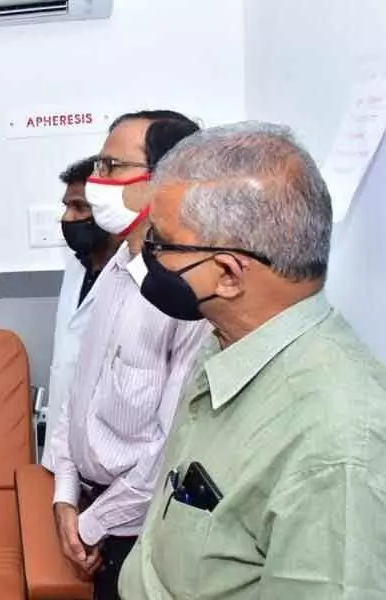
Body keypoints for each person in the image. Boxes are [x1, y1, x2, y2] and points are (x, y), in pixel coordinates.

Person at [119, 121, 386, 598]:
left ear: (226, 273)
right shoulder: (226, 341)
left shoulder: (336, 444)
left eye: (160, 243)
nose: (146, 255)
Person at [48, 110, 210, 600]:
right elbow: (78, 398)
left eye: (111, 167)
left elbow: (169, 451)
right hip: (89, 512)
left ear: (168, 180)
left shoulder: (191, 299)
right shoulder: (116, 270)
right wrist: (64, 500)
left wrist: (93, 526)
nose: (97, 182)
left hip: (141, 529)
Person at [40, 156, 120, 465]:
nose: (67, 218)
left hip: (108, 454)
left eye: (79, 207)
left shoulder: (136, 275)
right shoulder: (75, 265)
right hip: (62, 443)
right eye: (66, 206)